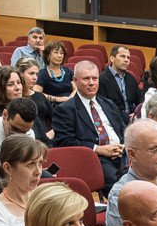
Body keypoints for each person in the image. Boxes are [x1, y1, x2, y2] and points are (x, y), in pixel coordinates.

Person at [51, 61, 127, 190]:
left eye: (95, 78)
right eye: (86, 79)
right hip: (94, 159)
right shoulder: (65, 110)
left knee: (146, 176)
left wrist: (124, 146)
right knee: (121, 185)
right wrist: (99, 149)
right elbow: (65, 142)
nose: (91, 83)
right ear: (75, 80)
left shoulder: (108, 103)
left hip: (121, 154)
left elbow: (123, 130)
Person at [0, 134, 63, 226]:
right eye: (30, 165)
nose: (38, 172)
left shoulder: (49, 197)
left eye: (40, 163)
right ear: (8, 168)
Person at [14, 57, 55, 142]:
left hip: (46, 141)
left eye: (37, 74)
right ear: (20, 74)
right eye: (31, 73)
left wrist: (51, 133)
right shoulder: (15, 97)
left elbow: (55, 119)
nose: (35, 78)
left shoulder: (40, 96)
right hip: (25, 140)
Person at [97, 45, 139, 117]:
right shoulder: (102, 79)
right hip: (114, 119)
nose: (126, 60)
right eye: (122, 56)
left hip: (133, 117)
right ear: (112, 58)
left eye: (128, 58)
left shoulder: (131, 78)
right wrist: (127, 117)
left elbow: (139, 99)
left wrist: (138, 113)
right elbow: (105, 107)